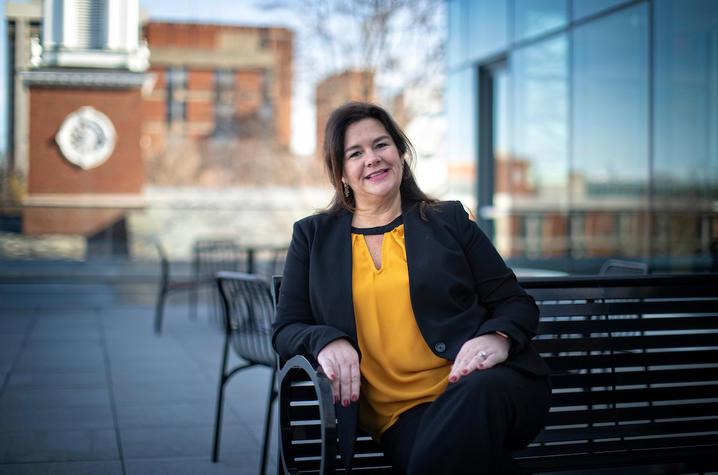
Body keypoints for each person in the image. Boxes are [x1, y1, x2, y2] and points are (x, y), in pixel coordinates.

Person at [272, 101, 551, 474]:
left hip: (485, 385)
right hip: (401, 417)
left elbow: (516, 304)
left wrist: (497, 337)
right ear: (341, 172)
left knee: (468, 411)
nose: (372, 158)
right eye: (356, 153)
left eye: (381, 144)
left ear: (400, 153)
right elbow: (285, 329)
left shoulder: (448, 221)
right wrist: (326, 339)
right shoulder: (312, 237)